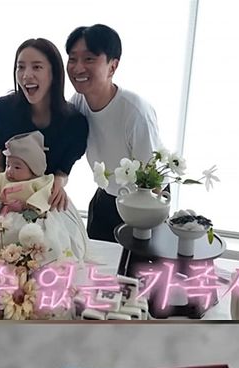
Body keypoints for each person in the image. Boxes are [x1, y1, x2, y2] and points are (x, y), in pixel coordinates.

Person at [65, 24, 163, 242]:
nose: (78, 68)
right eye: (72, 59)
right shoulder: (78, 102)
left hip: (143, 203)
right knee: (95, 258)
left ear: (112, 66)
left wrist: (146, 225)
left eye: (89, 59)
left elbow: (154, 183)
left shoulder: (135, 112)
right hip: (107, 196)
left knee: (134, 262)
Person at [0, 37, 88, 213]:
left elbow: (62, 172)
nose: (26, 75)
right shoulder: (2, 110)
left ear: (54, 73)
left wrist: (58, 184)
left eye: (37, 67)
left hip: (45, 201)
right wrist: (1, 188)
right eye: (21, 67)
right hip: (4, 198)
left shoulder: (74, 123)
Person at [0, 131, 86, 261]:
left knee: (39, 233)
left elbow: (44, 194)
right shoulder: (4, 178)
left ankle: (21, 256)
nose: (10, 171)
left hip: (27, 214)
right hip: (1, 211)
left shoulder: (40, 181)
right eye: (8, 165)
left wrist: (34, 205)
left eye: (17, 167)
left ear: (33, 169)